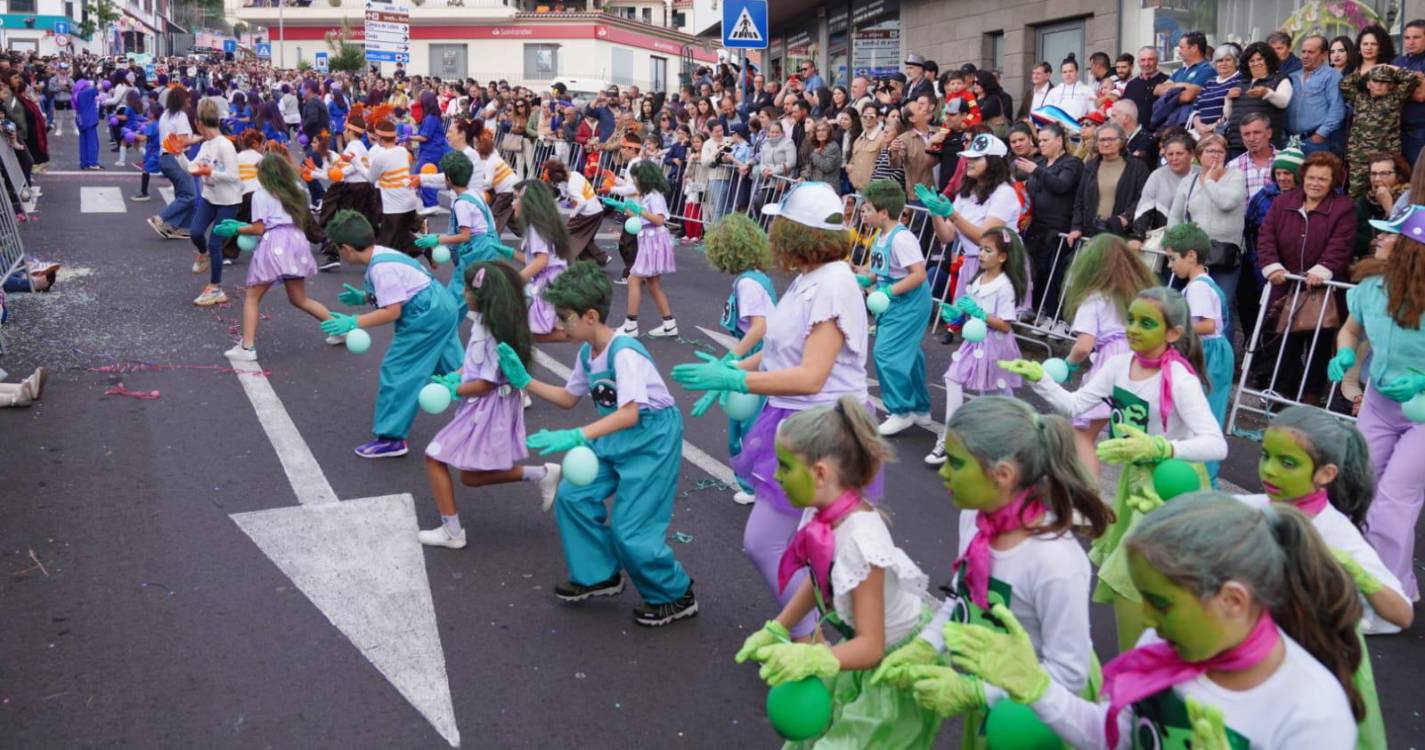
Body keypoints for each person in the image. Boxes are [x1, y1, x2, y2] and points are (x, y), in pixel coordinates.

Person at [946, 493, 1362, 749]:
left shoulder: (1313, 714)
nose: (1145, 618)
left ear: (1233, 600)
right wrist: (1034, 687)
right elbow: (1111, 736)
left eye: (1161, 604)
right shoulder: (1158, 649)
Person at [671, 182, 877, 643]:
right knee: (800, 546)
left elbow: (810, 376)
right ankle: (817, 637)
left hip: (824, 432)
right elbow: (779, 352)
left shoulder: (834, 285)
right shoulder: (811, 280)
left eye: (778, 224)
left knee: (785, 544)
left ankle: (820, 642)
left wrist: (735, 380)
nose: (772, 232)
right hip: (797, 424)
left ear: (795, 233)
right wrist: (732, 365)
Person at [870, 396, 1112, 745]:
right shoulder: (977, 519)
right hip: (991, 684)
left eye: (955, 463)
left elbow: (1068, 677)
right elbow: (962, 596)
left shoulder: (1055, 561)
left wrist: (976, 692)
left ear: (1002, 475)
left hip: (1039, 715)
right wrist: (926, 645)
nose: (943, 471)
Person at [1001, 287, 1228, 650]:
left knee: (1132, 575)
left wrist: (1161, 446)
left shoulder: (1180, 380)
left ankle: (1142, 666)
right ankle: (1151, 659)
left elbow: (1217, 443)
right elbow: (1075, 406)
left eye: (1147, 323)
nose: (1134, 329)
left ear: (1173, 333)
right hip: (1134, 481)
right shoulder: (1119, 365)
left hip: (1172, 487)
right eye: (1132, 320)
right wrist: (1039, 378)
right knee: (1144, 580)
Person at [495, 261, 698, 627]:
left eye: (565, 317)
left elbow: (631, 413)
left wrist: (576, 436)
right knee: (573, 496)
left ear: (590, 316)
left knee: (631, 528)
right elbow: (568, 397)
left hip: (651, 440)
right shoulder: (588, 353)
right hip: (614, 437)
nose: (559, 325)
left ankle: (675, 594)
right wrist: (524, 379)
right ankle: (599, 575)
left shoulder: (624, 351)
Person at [733, 395, 939, 748]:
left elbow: (872, 647)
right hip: (862, 647)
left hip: (894, 663)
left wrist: (813, 656)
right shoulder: (821, 512)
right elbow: (818, 579)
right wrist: (778, 628)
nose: (776, 476)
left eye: (783, 466)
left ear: (820, 474)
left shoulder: (860, 542)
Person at [417, 262, 561, 549]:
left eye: (469, 288)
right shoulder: (484, 322)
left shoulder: (497, 334)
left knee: (434, 456)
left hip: (488, 408)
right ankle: (543, 474)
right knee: (470, 476)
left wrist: (452, 389)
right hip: (482, 406)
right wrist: (454, 375)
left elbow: (486, 383)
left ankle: (452, 531)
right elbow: (474, 366)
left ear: (484, 295)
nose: (464, 291)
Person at [1327, 204, 1425, 605]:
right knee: (1357, 488)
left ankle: (1390, 597)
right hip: (1380, 405)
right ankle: (1359, 579)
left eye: (1388, 234)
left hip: (1422, 414)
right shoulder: (1370, 284)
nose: (1378, 239)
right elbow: (1350, 330)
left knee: (1393, 501)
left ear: (1411, 248)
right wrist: (1346, 354)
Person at [1243, 406, 1414, 635]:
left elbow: (1402, 614)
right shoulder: (1246, 507)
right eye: (1266, 456)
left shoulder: (1336, 535)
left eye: (1288, 463)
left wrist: (1355, 572)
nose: (1269, 470)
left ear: (1326, 474)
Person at [319, 210, 464, 459]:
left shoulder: (380, 268)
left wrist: (355, 322)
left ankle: (391, 438)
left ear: (346, 249)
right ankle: (490, 401)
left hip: (425, 315)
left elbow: (392, 311)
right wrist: (366, 297)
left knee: (399, 369)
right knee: (454, 367)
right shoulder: (383, 253)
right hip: (441, 304)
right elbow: (404, 286)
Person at [1254, 152, 1355, 404]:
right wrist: (1272, 267)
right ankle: (1280, 395)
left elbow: (1341, 245)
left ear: (1332, 181)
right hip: (1284, 287)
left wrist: (1323, 270)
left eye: (1322, 179)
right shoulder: (1283, 201)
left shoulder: (1343, 208)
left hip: (1322, 291)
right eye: (1311, 177)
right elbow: (1266, 236)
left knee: (1318, 346)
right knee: (1284, 344)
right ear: (1303, 178)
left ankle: (1310, 395)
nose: (1315, 183)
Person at [925, 227, 1028, 466]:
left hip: (996, 345)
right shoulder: (975, 281)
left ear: (1002, 257)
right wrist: (957, 317)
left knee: (997, 393)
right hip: (974, 343)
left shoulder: (1005, 286)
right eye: (980, 248)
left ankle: (1020, 431)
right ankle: (949, 438)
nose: (980, 254)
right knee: (954, 379)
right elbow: (967, 314)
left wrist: (980, 314)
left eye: (987, 250)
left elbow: (1005, 324)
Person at [219, 153, 336, 361]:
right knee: (300, 298)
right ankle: (339, 329)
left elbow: (258, 228)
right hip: (297, 240)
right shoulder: (298, 190)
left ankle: (247, 348)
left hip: (275, 242)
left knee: (252, 297)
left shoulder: (260, 194)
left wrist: (237, 229)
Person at [1057, 235, 1156, 478]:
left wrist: (1069, 365)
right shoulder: (1135, 295)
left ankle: (1088, 496)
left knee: (1083, 435)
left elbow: (1084, 345)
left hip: (1110, 366)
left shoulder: (1094, 298)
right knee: (1133, 437)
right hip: (1139, 362)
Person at [696, 214, 777, 506]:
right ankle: (757, 480)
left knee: (745, 429)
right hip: (762, 358)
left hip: (757, 361)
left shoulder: (748, 284)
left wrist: (733, 357)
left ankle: (755, 483)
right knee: (749, 425)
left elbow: (760, 327)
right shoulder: (757, 276)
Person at [857, 180, 932, 437]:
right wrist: (866, 279)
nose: (863, 213)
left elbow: (918, 274)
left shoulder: (902, 238)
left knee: (886, 353)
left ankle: (901, 410)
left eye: (867, 209)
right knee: (909, 354)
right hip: (893, 300)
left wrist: (887, 292)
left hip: (908, 301)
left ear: (884, 213)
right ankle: (920, 408)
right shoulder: (882, 235)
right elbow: (882, 270)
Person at [1164, 223, 1235, 485]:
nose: (1170, 266)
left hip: (1208, 353)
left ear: (1191, 256)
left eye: (1173, 258)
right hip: (1210, 352)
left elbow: (1208, 324)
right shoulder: (1203, 283)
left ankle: (1204, 478)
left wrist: (1172, 327)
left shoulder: (1198, 287)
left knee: (1203, 414)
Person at [924, 133, 1021, 301]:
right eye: (969, 157)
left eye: (977, 158)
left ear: (993, 163)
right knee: (965, 320)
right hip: (970, 263)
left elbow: (987, 240)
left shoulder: (1004, 193)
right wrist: (935, 212)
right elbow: (947, 236)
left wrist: (952, 214)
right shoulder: (966, 193)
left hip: (997, 266)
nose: (969, 162)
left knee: (987, 321)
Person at [413, 151, 511, 316]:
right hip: (491, 248)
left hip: (477, 252)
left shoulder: (462, 203)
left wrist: (437, 239)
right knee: (483, 297)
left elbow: (465, 235)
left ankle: (444, 334)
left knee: (455, 298)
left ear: (449, 179)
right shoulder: (475, 195)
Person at [1168, 135, 1246, 307]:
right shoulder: (1188, 181)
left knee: (1220, 306)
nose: (1216, 155)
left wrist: (1209, 181)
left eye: (1220, 151)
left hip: (1225, 254)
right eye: (1210, 151)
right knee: (1189, 306)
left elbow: (1226, 203)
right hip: (1194, 254)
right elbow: (1175, 216)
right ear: (1199, 155)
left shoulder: (1236, 176)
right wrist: (1172, 243)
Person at [603, 161, 678, 338]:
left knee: (633, 280)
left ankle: (631, 325)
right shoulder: (647, 195)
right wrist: (621, 207)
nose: (634, 182)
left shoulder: (655, 195)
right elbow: (641, 216)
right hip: (649, 239)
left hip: (654, 240)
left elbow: (659, 220)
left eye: (636, 178)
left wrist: (640, 211)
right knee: (653, 284)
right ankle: (669, 324)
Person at [1018, 122, 1083, 318]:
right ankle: (1036, 312)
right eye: (1040, 140)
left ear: (1059, 141)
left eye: (1046, 140)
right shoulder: (1039, 163)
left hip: (1058, 230)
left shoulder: (1072, 163)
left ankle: (1056, 317)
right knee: (1035, 272)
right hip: (1036, 227)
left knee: (1054, 275)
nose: (1042, 144)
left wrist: (1035, 171)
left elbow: (1062, 185)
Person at [183, 97, 242, 308]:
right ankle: (203, 254)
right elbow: (191, 167)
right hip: (210, 198)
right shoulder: (206, 144)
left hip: (228, 201)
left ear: (199, 122)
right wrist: (177, 153)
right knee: (196, 232)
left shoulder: (225, 145)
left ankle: (216, 288)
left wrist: (211, 172)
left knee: (216, 242)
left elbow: (235, 176)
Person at [1340, 64, 1421, 197]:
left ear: (1390, 85)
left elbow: (1411, 79)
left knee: (1387, 193)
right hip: (1359, 157)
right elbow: (1344, 84)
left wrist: (1390, 67)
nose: (1379, 85)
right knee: (1355, 195)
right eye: (1375, 81)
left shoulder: (1395, 98)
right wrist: (1364, 71)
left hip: (1384, 158)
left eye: (1384, 82)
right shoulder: (1359, 98)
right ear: (1368, 84)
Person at [1067, 122, 1149, 246]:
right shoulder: (1090, 166)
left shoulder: (1137, 167)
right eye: (1102, 140)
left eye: (1111, 139)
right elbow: (1079, 200)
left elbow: (1143, 199)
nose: (1106, 143)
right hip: (1090, 233)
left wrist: (1127, 218)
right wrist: (1076, 227)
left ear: (1121, 141)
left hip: (1120, 234)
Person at [513, 180, 574, 342]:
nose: (513, 204)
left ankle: (591, 336)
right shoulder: (542, 224)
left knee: (534, 333)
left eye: (516, 198)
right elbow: (535, 260)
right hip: (553, 280)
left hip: (548, 283)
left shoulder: (536, 228)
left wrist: (514, 281)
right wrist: (512, 253)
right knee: (536, 331)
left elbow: (542, 260)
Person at [367, 115, 422, 258]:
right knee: (403, 238)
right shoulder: (402, 151)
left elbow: (370, 178)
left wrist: (355, 162)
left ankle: (384, 272)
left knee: (386, 246)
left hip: (394, 207)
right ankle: (426, 249)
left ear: (379, 138)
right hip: (410, 203)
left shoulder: (380, 157)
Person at [146, 86, 196, 239]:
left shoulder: (166, 114)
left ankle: (176, 226)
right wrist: (202, 138)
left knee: (182, 193)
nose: (189, 104)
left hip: (165, 158)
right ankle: (161, 219)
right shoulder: (180, 116)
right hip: (175, 158)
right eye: (188, 100)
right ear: (182, 100)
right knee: (189, 195)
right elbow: (183, 140)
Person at [1288, 34, 1347, 156]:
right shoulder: (1292, 76)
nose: (1305, 56)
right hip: (1291, 141)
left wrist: (1320, 135)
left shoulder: (1332, 76)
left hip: (1316, 142)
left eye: (1310, 52)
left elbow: (1337, 110)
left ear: (1324, 55)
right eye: (1303, 51)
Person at [1392, 19, 1425, 164]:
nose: (1411, 42)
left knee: (1418, 176)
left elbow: (1420, 96)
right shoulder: (1397, 62)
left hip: (1419, 129)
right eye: (1407, 38)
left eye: (1416, 37)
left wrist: (1397, 90)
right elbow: (1386, 91)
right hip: (1396, 130)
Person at [1123, 47, 1169, 130]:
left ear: (1157, 61)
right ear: (1138, 62)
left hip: (1160, 134)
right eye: (1143, 60)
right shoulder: (1131, 85)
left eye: (1150, 59)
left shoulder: (1167, 82)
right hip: (1136, 134)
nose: (1146, 64)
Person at [1043, 54, 1095, 121]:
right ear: (1061, 74)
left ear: (1077, 72)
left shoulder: (1087, 90)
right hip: (1057, 129)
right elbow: (1046, 112)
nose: (1068, 74)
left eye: (1071, 71)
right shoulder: (1054, 91)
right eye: (1065, 72)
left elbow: (1093, 112)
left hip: (1078, 128)